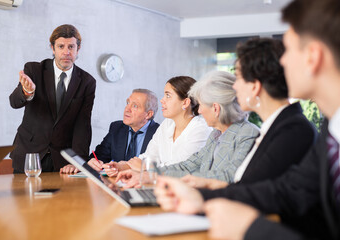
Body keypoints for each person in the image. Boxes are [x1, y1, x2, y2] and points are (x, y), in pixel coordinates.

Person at [155, 0, 340, 239]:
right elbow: (287, 191)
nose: (282, 63)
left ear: (313, 56)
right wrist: (201, 197)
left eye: (289, 50)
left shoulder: (297, 129)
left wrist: (252, 228)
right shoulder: (330, 130)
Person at [181, 38, 317, 190]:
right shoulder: (275, 127)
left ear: (255, 86)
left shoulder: (292, 130)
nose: (235, 86)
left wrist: (201, 192)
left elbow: (254, 191)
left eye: (238, 78)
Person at [116, 71, 260, 188]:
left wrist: (151, 174)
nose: (200, 111)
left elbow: (228, 176)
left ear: (215, 108)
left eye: (202, 105)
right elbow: (187, 166)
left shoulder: (248, 133)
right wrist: (148, 175)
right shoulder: (216, 135)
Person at [9, 24, 96, 174]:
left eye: (71, 47)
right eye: (61, 46)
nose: (66, 52)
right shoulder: (34, 70)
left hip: (62, 161)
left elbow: (83, 125)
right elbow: (14, 102)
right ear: (52, 48)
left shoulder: (87, 82)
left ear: (78, 49)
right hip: (28, 155)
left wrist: (78, 161)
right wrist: (27, 92)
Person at [104, 76, 212, 177]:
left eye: (168, 95)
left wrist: (145, 167)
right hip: (160, 185)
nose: (162, 100)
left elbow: (180, 168)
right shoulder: (167, 124)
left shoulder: (201, 129)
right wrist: (122, 166)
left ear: (185, 103)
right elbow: (150, 156)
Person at [83, 89, 159, 173]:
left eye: (135, 106)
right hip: (116, 183)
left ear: (148, 114)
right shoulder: (116, 128)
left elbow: (160, 168)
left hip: (144, 183)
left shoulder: (159, 133)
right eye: (127, 103)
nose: (127, 109)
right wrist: (94, 162)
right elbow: (99, 156)